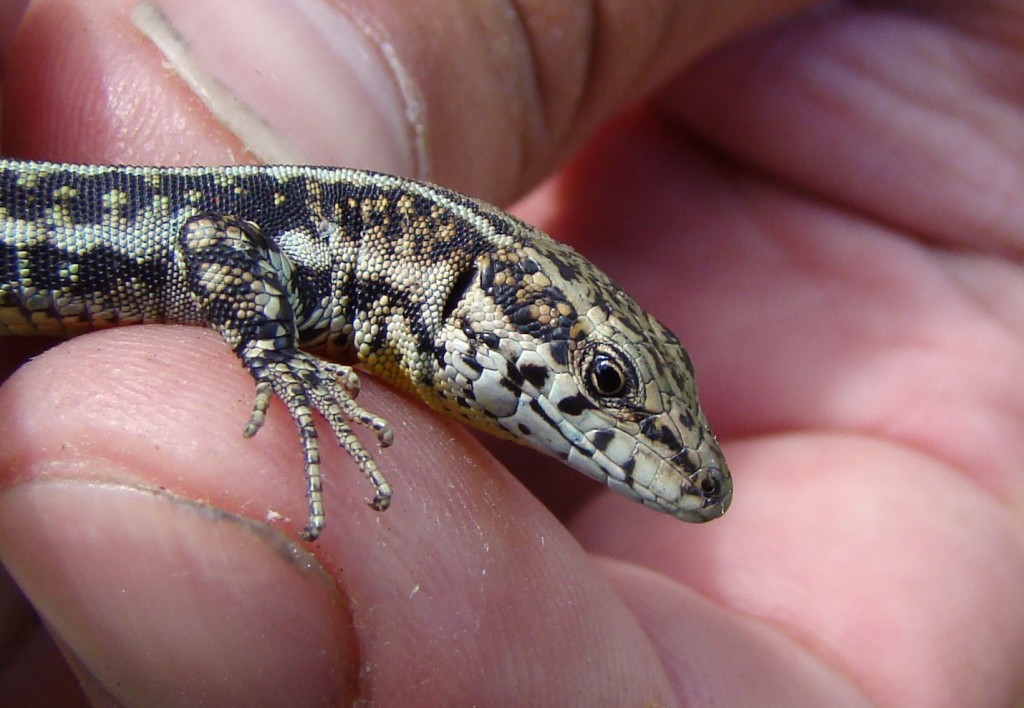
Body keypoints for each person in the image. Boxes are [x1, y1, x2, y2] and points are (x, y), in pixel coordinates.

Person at [2, 0, 1022, 704]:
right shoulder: (299, 241)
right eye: (605, 382)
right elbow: (213, 245)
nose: (668, 449)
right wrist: (270, 361)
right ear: (470, 297)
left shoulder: (371, 290)